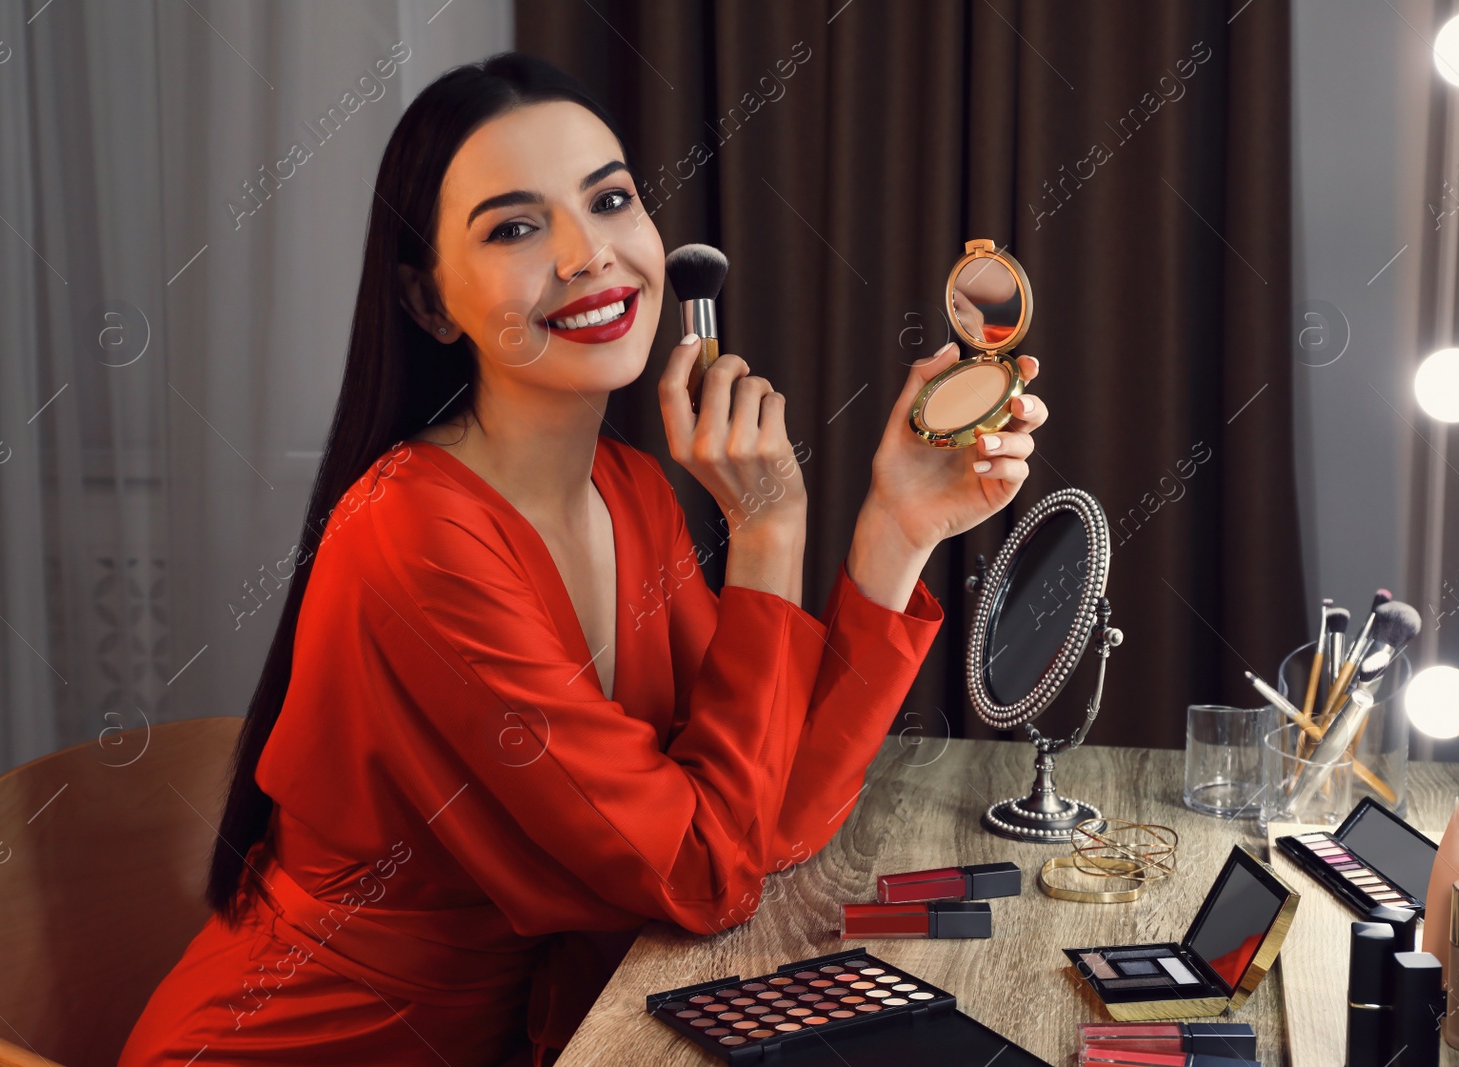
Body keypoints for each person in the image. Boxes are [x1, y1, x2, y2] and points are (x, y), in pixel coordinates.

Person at [118, 51, 1047, 1067]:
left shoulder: (632, 492)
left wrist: (896, 529)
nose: (587, 254)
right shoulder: (415, 536)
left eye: (609, 201)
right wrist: (768, 532)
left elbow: (757, 816)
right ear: (430, 304)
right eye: (517, 227)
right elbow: (706, 874)